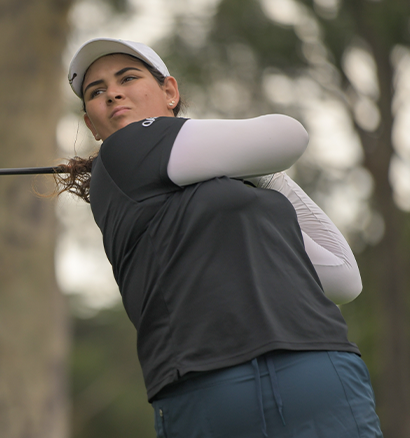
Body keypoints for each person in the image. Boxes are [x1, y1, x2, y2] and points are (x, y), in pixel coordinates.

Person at [58, 38, 383, 437]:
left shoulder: (239, 192)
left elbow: (342, 276)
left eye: (128, 77)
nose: (113, 93)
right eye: (97, 91)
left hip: (316, 365)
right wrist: (250, 161)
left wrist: (260, 174)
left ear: (170, 91)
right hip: (209, 383)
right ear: (91, 124)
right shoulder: (125, 150)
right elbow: (288, 135)